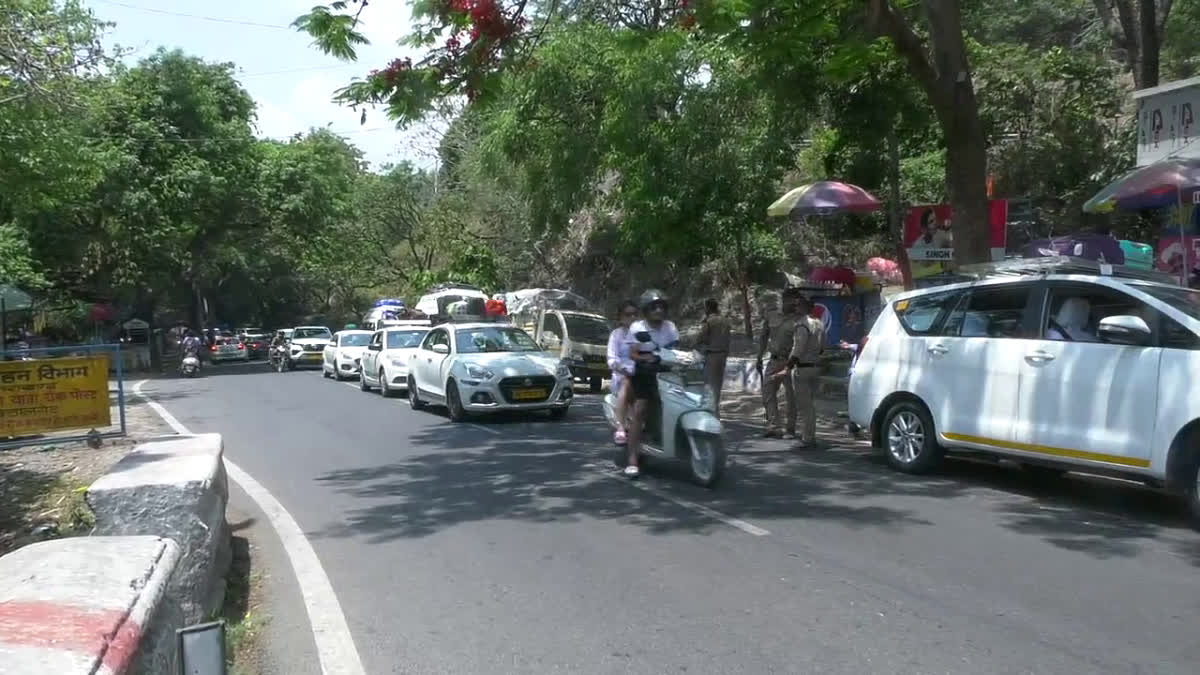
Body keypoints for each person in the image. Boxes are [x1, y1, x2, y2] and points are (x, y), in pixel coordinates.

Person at [623, 289, 680, 478]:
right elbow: (633, 354)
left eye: (661, 306)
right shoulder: (638, 328)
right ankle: (632, 459)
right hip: (644, 373)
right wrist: (645, 358)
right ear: (646, 309)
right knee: (640, 410)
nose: (658, 310)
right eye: (654, 307)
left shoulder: (670, 327)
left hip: (666, 370)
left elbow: (674, 350)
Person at [757, 289, 799, 439]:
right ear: (784, 300)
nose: (794, 304)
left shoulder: (799, 319)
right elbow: (763, 336)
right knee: (768, 392)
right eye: (791, 300)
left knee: (791, 396)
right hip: (773, 360)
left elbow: (799, 343)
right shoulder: (772, 314)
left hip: (790, 361)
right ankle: (774, 426)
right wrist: (759, 357)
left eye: (796, 301)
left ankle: (791, 428)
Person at [785, 295, 826, 448]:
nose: (795, 308)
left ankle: (808, 438)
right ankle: (810, 434)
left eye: (798, 306)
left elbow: (798, 349)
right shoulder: (820, 324)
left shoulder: (802, 325)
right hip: (816, 367)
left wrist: (788, 367)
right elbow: (822, 347)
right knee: (811, 405)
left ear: (803, 307)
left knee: (805, 406)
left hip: (803, 369)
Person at [606, 300, 639, 445]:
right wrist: (622, 368)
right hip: (622, 375)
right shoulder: (616, 335)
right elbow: (611, 359)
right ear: (620, 317)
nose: (632, 318)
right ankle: (621, 426)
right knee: (627, 382)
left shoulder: (642, 333)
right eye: (628, 314)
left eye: (634, 314)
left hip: (642, 373)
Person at [695, 298, 731, 418]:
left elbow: (701, 338)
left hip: (712, 355)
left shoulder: (709, 321)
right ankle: (715, 413)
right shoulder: (725, 321)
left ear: (708, 308)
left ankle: (713, 415)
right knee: (718, 386)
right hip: (723, 355)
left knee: (710, 386)